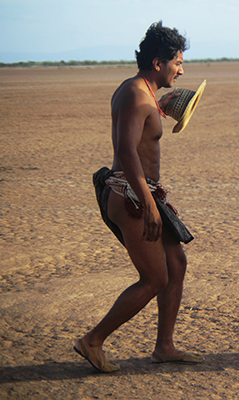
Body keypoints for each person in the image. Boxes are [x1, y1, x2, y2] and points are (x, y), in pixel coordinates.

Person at [74, 21, 203, 373]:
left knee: (176, 265)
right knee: (154, 278)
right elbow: (126, 151)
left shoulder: (142, 94)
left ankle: (164, 346)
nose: (181, 70)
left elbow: (141, 131)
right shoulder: (134, 94)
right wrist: (148, 205)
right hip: (131, 195)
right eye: (178, 63)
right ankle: (93, 341)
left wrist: (159, 107)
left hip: (143, 192)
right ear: (158, 62)